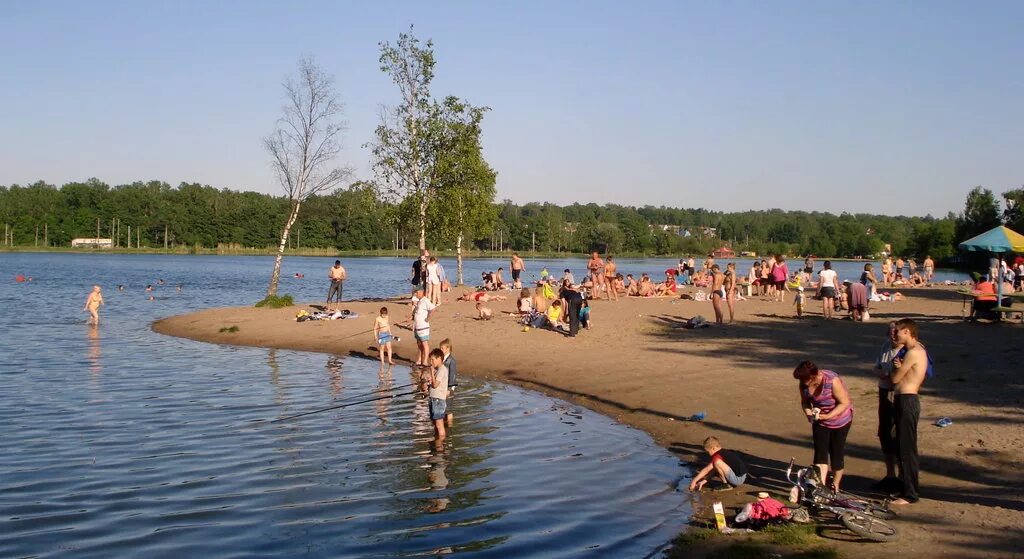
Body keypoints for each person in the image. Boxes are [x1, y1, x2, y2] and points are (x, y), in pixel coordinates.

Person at [794, 360, 854, 492]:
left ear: (814, 375)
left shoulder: (832, 381)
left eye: (805, 379)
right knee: (820, 454)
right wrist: (809, 414)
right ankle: (820, 486)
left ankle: (835, 486)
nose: (803, 382)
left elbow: (844, 403)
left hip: (840, 420)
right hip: (820, 421)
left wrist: (828, 416)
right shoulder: (804, 384)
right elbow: (805, 403)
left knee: (836, 453)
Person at [889, 318, 928, 505]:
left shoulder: (914, 353)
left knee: (907, 448)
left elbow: (895, 379)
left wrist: (896, 369)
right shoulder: (918, 350)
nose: (895, 334)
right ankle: (905, 486)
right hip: (904, 400)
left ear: (907, 332)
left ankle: (910, 494)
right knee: (899, 444)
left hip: (907, 399)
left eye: (898, 331)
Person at [872, 321, 903, 493]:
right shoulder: (885, 346)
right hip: (883, 392)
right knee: (884, 433)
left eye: (896, 332)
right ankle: (890, 474)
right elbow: (875, 368)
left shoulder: (906, 351)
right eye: (890, 332)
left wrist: (890, 375)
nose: (893, 335)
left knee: (897, 435)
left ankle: (901, 476)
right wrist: (881, 373)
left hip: (897, 394)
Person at [425, 348, 449, 440]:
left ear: (439, 358)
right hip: (433, 399)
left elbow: (435, 385)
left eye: (432, 359)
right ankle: (437, 441)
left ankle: (440, 445)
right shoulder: (439, 370)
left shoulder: (442, 370)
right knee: (435, 423)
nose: (431, 362)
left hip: (438, 400)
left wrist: (431, 372)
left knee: (439, 424)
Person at [413, 292, 437, 367]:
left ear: (421, 292)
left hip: (423, 327)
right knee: (419, 344)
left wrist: (428, 318)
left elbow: (433, 308)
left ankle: (425, 361)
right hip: (417, 326)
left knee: (424, 344)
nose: (415, 295)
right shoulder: (419, 301)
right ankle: (419, 359)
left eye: (416, 293)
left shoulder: (425, 300)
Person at [439, 338, 457, 426]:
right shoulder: (443, 359)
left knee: (449, 409)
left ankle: (450, 425)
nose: (441, 350)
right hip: (442, 387)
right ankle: (445, 424)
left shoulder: (451, 361)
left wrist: (449, 389)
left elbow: (452, 376)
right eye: (440, 348)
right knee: (443, 408)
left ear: (448, 349)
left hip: (449, 388)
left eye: (442, 348)